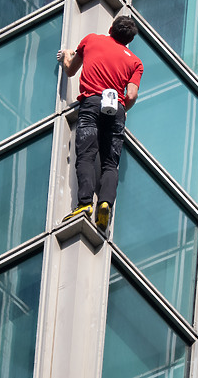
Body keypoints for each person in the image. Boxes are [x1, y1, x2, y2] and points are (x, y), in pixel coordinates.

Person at [57, 15, 143, 233]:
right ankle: (105, 204)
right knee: (110, 163)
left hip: (91, 103)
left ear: (111, 28)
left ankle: (85, 204)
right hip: (116, 109)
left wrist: (66, 55)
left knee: (86, 155)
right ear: (129, 40)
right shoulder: (135, 62)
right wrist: (123, 110)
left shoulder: (91, 40)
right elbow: (131, 95)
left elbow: (70, 69)